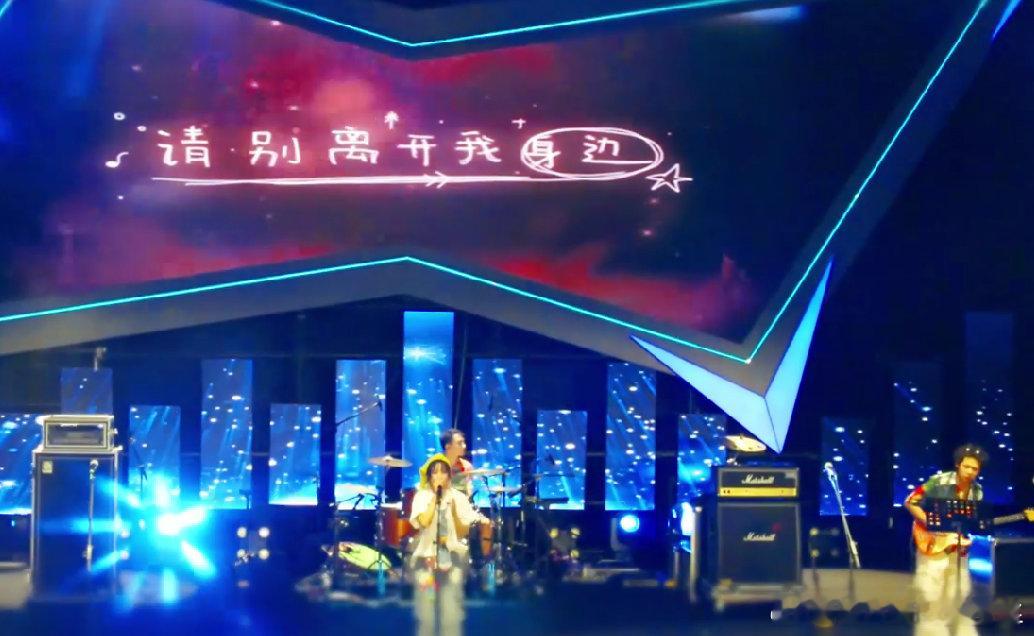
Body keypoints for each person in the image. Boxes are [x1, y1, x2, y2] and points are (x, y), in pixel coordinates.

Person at [904, 444, 987, 636]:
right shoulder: (938, 482)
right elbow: (910, 502)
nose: (970, 472)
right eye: (967, 467)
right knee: (931, 591)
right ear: (958, 464)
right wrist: (932, 524)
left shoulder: (977, 491)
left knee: (958, 591)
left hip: (958, 545)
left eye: (975, 469)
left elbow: (972, 521)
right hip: (933, 543)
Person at [409, 453, 489, 636]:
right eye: (435, 472)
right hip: (426, 561)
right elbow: (423, 522)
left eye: (443, 472)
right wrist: (434, 500)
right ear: (429, 475)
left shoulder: (458, 497)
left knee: (451, 611)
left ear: (449, 475)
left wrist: (453, 511)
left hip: (452, 561)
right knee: (427, 612)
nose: (439, 476)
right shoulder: (422, 496)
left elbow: (463, 531)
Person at [440, 428, 474, 497]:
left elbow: (468, 489)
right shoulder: (435, 465)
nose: (464, 446)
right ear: (447, 446)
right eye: (459, 443)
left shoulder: (466, 465)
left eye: (464, 442)